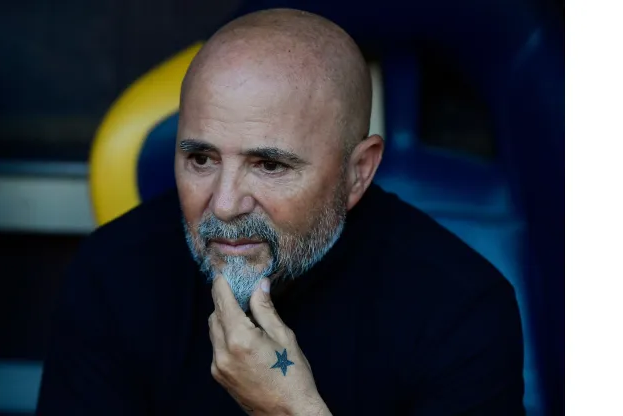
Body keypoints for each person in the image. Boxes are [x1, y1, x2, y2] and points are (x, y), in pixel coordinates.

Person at [36, 8, 525, 416]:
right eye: (201, 159)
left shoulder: (460, 310)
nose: (225, 205)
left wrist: (292, 412)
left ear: (358, 172)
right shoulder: (113, 273)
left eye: (268, 164)